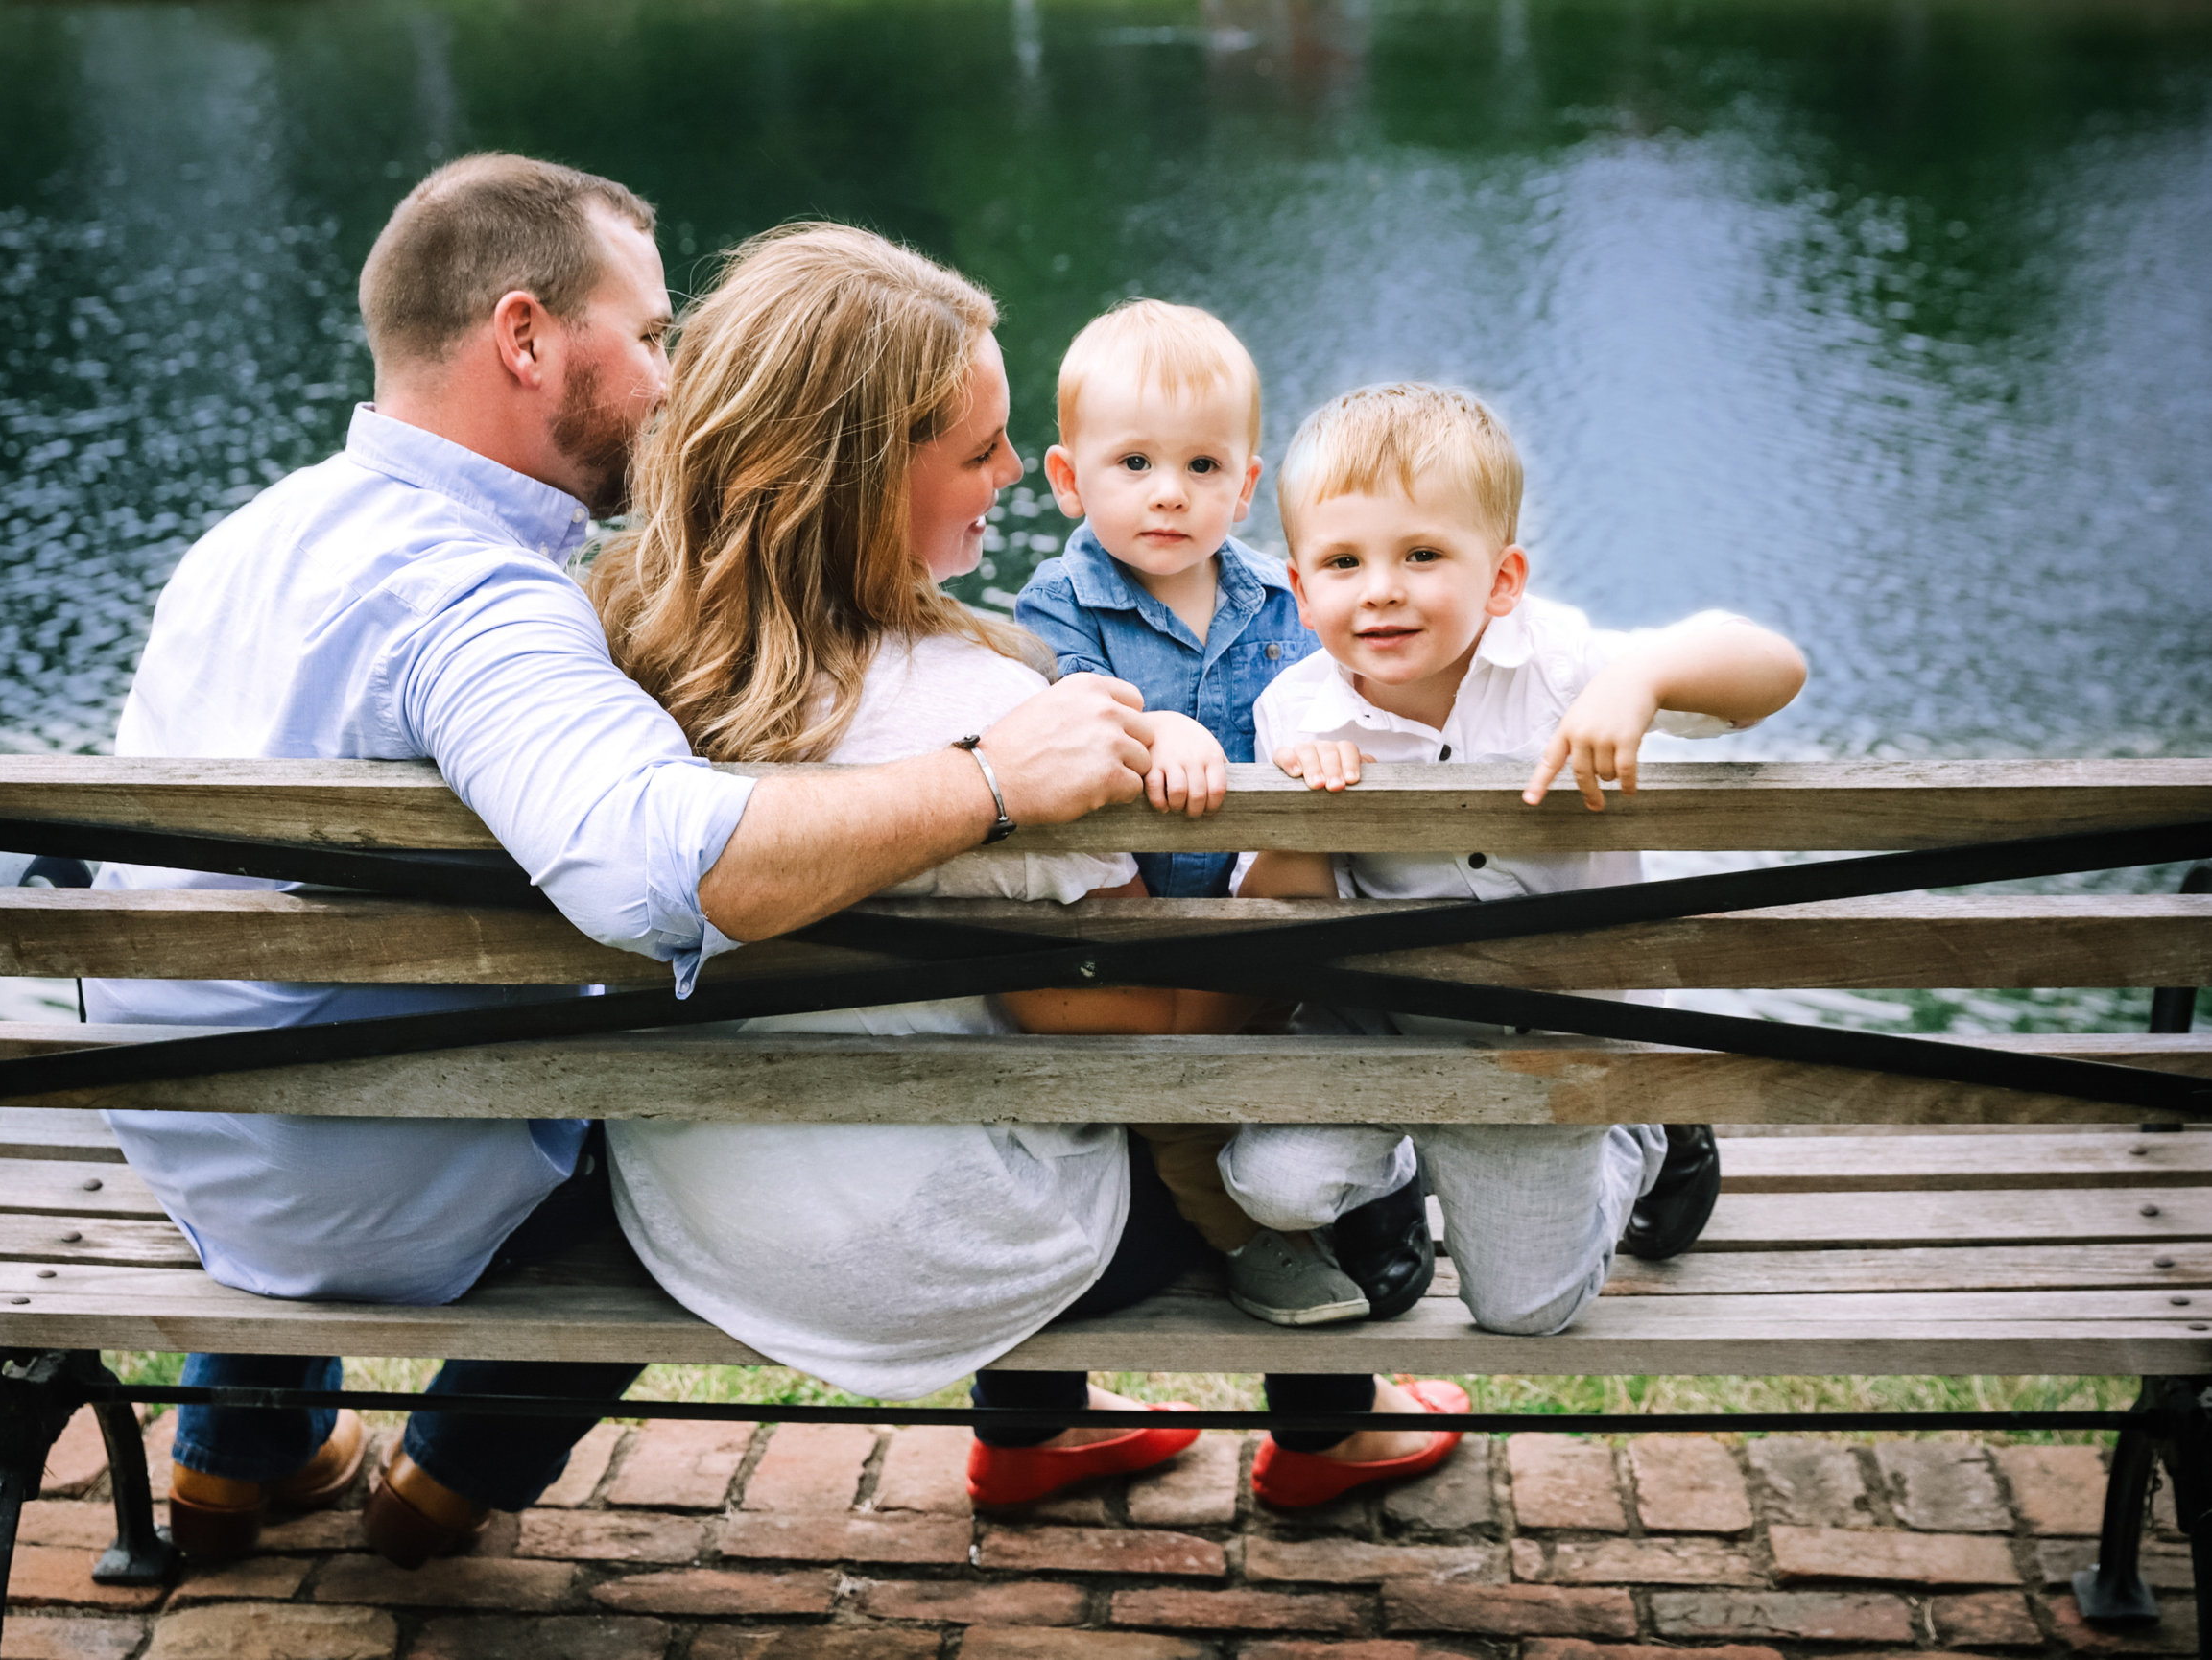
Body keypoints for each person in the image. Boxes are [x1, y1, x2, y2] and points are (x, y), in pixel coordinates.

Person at [81, 155, 1161, 1567]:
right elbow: (662, 876)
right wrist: (988, 781)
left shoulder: (257, 535)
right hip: (380, 1179)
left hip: (188, 1132)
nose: (670, 383)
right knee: (685, 1103)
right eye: (650, 337)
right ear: (525, 338)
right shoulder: (480, 606)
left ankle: (247, 1446)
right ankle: (445, 1479)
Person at [587, 222, 1470, 1513]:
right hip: (916, 1252)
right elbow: (1136, 1041)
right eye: (977, 448)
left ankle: (1037, 1434)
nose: (1012, 470)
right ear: (860, 478)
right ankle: (1337, 1431)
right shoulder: (985, 713)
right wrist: (1292, 851)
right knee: (1269, 1123)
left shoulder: (611, 643)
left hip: (691, 1213)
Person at [1220, 382, 1808, 1502]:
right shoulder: (1298, 710)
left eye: (1423, 554)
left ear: (1502, 578)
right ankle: (1404, 1162)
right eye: (1342, 562)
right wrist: (1298, 816)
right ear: (1299, 588)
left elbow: (1771, 667)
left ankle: (1643, 1130)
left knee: (1525, 1310)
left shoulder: (1559, 665)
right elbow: (1289, 918)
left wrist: (1640, 681)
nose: (1381, 590)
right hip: (1380, 1025)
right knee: (1275, 1185)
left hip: (1545, 1034)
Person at [1011, 299, 1433, 1332]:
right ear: (1070, 479)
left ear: (1247, 485)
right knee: (1179, 1110)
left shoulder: (1288, 600)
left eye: (1203, 467)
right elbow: (1067, 713)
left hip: (1272, 923)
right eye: (1135, 464)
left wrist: (1319, 741)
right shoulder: (1058, 602)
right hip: (1143, 932)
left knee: (1312, 1021)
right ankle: (1256, 1246)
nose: (1170, 494)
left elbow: (1349, 700)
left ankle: (1369, 1184)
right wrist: (1156, 728)